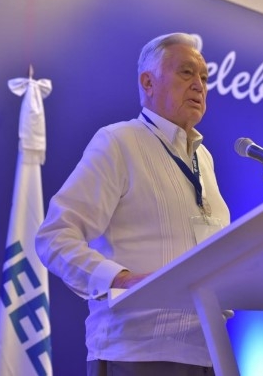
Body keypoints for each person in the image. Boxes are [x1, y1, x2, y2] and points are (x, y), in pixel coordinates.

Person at [35, 32, 230, 376]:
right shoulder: (118, 142)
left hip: (207, 353)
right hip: (136, 354)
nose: (199, 85)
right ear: (148, 81)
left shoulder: (205, 158)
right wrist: (120, 279)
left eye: (204, 77)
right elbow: (54, 237)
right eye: (186, 73)